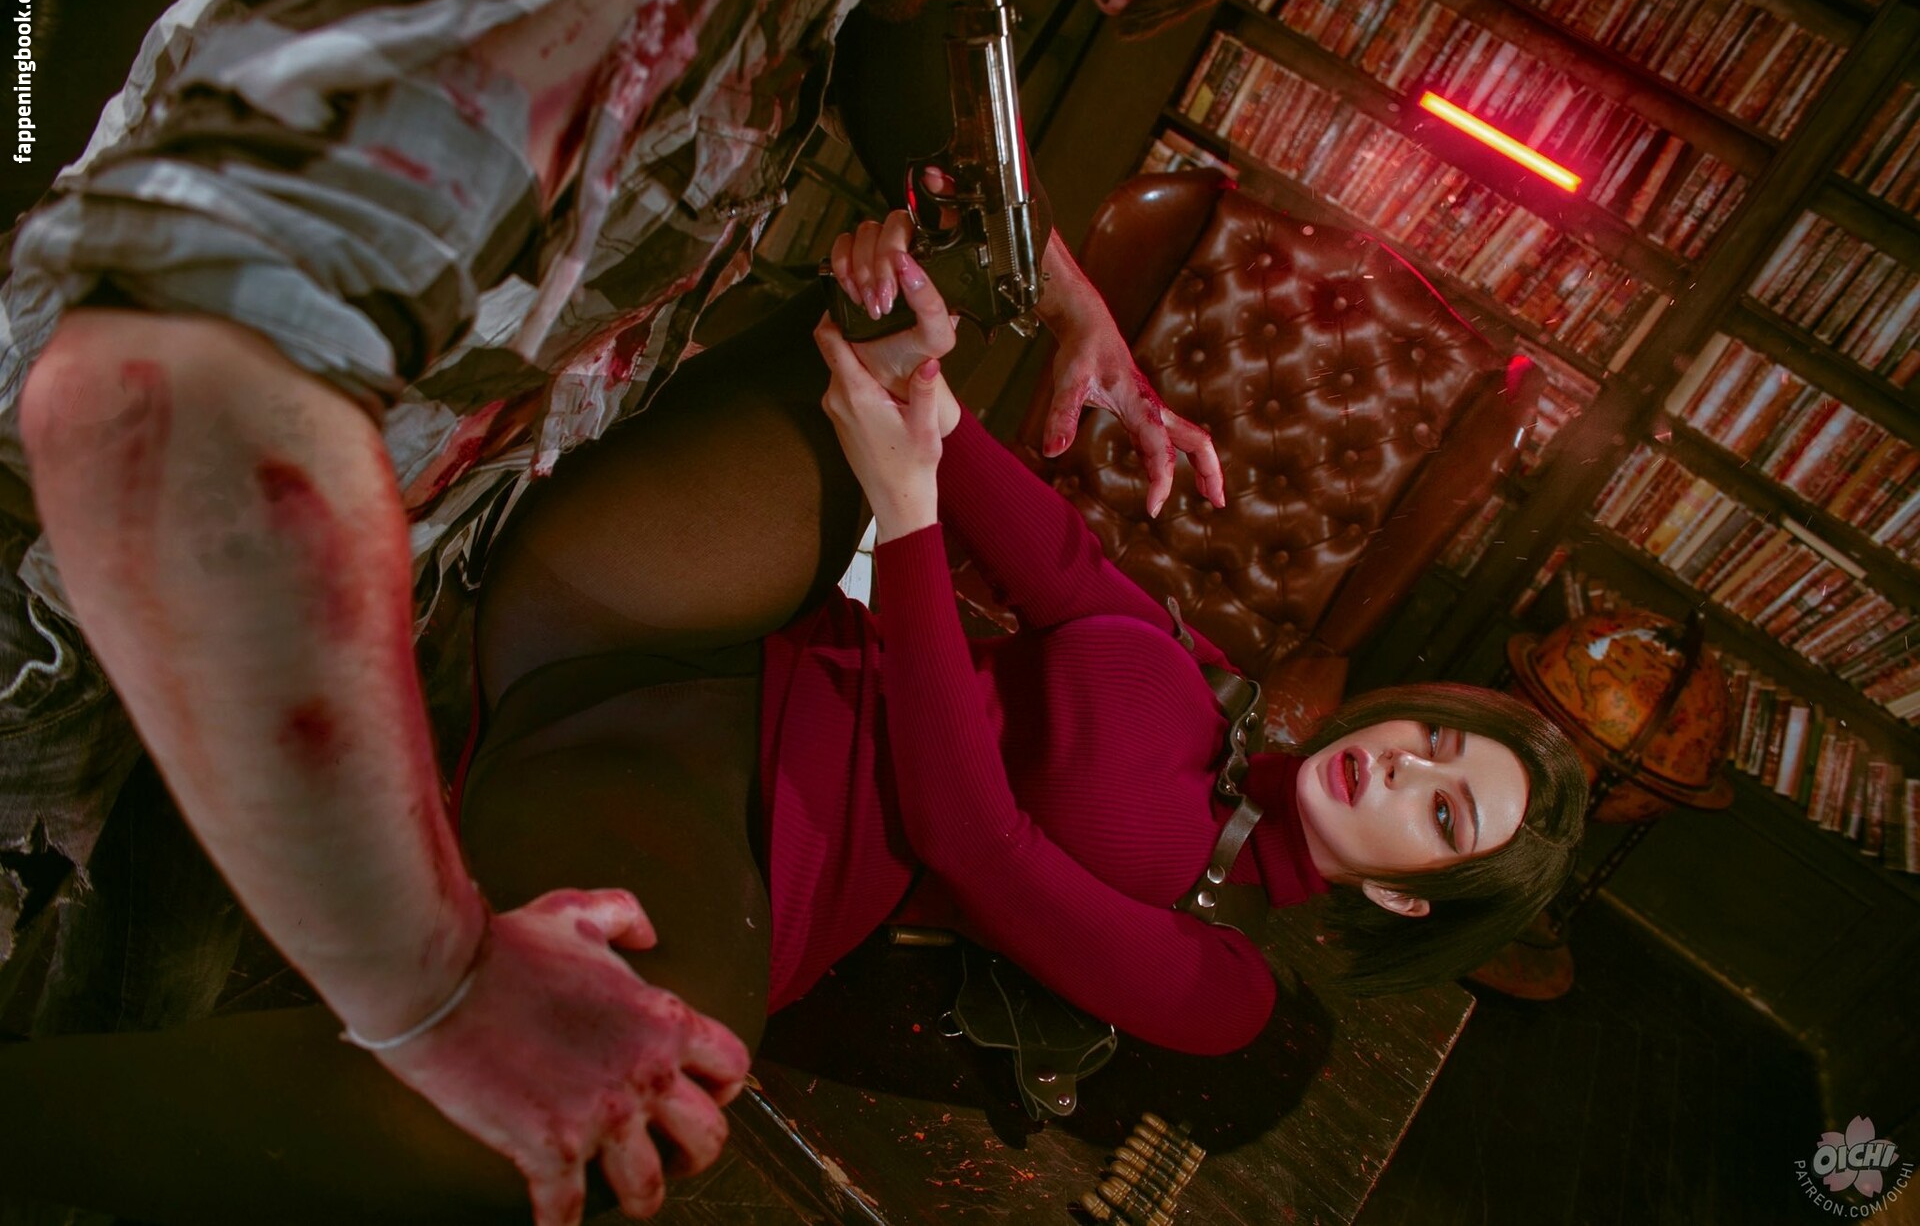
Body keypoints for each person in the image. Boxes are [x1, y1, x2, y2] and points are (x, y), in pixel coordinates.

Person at [0, 219, 1586, 1226]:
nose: (1411, 766)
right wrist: (927, 395)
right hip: (734, 626)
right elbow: (1048, 551)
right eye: (1444, 742)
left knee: (599, 1097)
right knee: (876, 327)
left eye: (1445, 813)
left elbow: (977, 841)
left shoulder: (1224, 986)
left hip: (757, 841)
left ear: (1406, 899)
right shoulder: (1197, 674)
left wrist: (907, 523)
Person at [0, 0, 1244, 1213]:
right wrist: (435, 988)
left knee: (138, 995)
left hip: (382, 547)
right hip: (79, 574)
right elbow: (179, 407)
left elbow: (895, 37)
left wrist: (1057, 296)